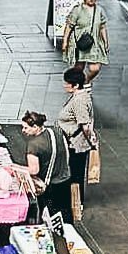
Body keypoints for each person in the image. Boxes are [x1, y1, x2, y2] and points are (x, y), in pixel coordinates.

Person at [19, 111, 72, 222]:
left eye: (26, 128)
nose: (23, 131)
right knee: (65, 210)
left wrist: (17, 168)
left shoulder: (34, 145)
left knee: (49, 213)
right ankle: (68, 232)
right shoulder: (56, 132)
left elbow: (34, 170)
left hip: (50, 184)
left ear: (35, 127)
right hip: (65, 178)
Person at [57, 67, 96, 205]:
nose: (65, 85)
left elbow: (84, 124)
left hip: (76, 143)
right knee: (74, 172)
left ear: (76, 85)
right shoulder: (78, 96)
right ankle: (74, 200)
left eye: (67, 83)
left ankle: (76, 202)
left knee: (75, 174)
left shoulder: (79, 100)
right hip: (74, 142)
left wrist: (91, 141)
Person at [62, 0, 109, 80]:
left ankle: (85, 81)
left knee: (95, 68)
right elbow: (69, 26)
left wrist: (106, 41)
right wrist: (65, 41)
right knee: (78, 68)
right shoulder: (78, 10)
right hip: (79, 42)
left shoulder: (99, 10)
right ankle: (78, 84)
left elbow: (102, 27)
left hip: (94, 43)